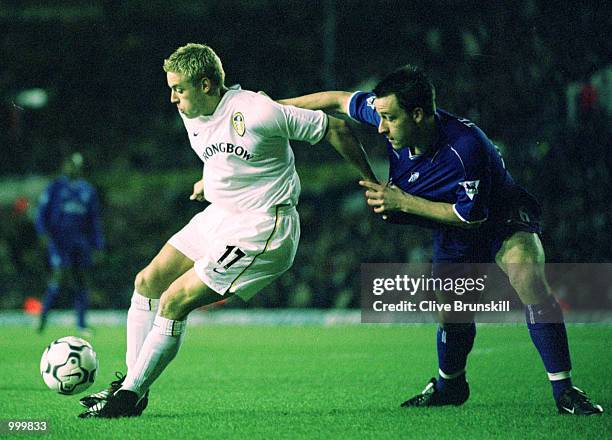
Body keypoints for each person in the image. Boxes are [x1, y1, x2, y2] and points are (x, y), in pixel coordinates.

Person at [278, 65, 604, 415]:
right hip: (452, 231)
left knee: (526, 275)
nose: (381, 127)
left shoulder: (466, 147)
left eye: (390, 118)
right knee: (451, 311)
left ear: (418, 114)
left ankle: (564, 391)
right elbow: (337, 100)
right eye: (380, 116)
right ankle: (450, 386)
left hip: (501, 218)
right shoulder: (386, 114)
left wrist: (402, 202)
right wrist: (274, 108)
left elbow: (471, 215)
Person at [78, 43, 377, 418]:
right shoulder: (194, 111)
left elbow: (335, 128)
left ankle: (129, 396)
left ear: (205, 85)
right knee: (147, 282)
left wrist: (372, 182)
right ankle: (130, 386)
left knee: (173, 301)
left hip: (263, 224)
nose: (172, 98)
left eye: (179, 89)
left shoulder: (256, 112)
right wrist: (210, 183)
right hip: (221, 213)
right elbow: (224, 152)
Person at [35, 152, 104, 334]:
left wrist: (98, 244)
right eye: (71, 164)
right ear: (66, 165)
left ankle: (81, 323)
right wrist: (43, 233)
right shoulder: (55, 187)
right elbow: (42, 212)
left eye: (77, 165)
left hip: (80, 242)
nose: (74, 168)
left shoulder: (88, 190)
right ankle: (42, 318)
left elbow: (93, 220)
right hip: (59, 241)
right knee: (60, 275)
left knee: (81, 280)